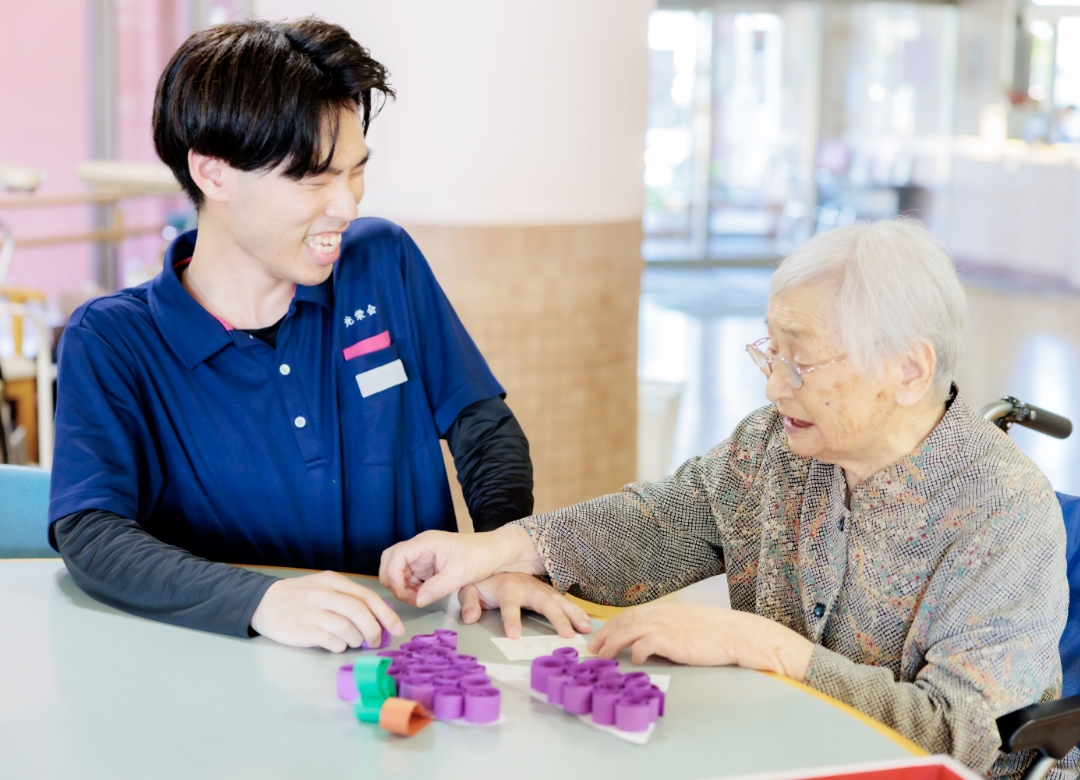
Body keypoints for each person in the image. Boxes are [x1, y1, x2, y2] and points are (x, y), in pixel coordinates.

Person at [381, 218, 1071, 778]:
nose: (774, 387)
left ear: (908, 369)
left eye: (799, 362)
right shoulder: (779, 445)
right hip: (774, 750)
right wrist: (497, 549)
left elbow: (964, 741)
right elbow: (663, 521)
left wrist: (764, 647)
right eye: (769, 354)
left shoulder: (1005, 513)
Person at [48, 19, 533, 653]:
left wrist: (500, 551)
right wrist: (259, 601)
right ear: (214, 174)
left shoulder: (382, 261)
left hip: (413, 658)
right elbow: (91, 532)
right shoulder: (113, 341)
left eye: (355, 171)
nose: (347, 205)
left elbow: (479, 422)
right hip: (236, 677)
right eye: (312, 177)